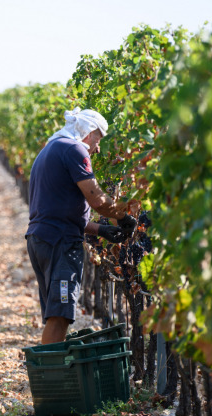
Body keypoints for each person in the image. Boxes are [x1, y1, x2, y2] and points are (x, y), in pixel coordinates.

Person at [25, 107, 136, 344]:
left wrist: (101, 230)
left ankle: (49, 370)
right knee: (60, 315)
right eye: (99, 139)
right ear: (90, 131)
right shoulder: (74, 149)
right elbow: (97, 200)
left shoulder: (50, 149)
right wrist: (122, 217)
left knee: (56, 312)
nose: (98, 148)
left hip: (41, 240)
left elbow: (58, 211)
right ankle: (50, 375)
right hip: (60, 244)